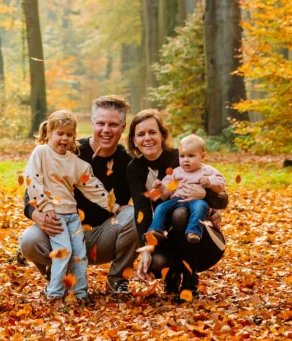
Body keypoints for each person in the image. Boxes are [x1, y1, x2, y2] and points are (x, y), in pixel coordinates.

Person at [19, 95, 138, 296]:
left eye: (113, 124)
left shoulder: (128, 163)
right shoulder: (67, 150)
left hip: (102, 236)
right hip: (60, 226)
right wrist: (36, 214)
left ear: (123, 126)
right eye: (100, 123)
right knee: (29, 240)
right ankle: (58, 281)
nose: (106, 130)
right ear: (92, 123)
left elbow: (145, 196)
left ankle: (117, 279)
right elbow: (31, 188)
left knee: (136, 214)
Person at [126, 109, 228, 302]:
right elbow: (142, 210)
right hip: (169, 235)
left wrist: (205, 195)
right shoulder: (134, 168)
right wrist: (146, 248)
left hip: (201, 238)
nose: (147, 138)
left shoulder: (181, 156)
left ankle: (190, 282)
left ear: (162, 135)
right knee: (156, 262)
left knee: (180, 213)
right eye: (141, 134)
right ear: (134, 140)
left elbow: (222, 197)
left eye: (152, 132)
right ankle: (172, 276)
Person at [24, 109, 115, 304]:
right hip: (54, 214)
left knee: (80, 254)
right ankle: (54, 293)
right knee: (63, 251)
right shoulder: (41, 153)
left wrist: (113, 206)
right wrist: (45, 206)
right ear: (49, 133)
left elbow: (93, 188)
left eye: (69, 135)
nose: (64, 138)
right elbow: (32, 180)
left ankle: (80, 293)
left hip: (72, 216)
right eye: (60, 133)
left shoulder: (77, 164)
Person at [148, 134, 226, 243]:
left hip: (196, 201)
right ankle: (156, 230)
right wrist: (161, 187)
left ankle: (194, 231)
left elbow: (221, 182)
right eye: (182, 156)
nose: (186, 160)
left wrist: (209, 181)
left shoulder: (207, 170)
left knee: (200, 206)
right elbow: (167, 193)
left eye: (191, 156)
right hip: (177, 201)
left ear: (202, 157)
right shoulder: (176, 172)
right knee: (160, 207)